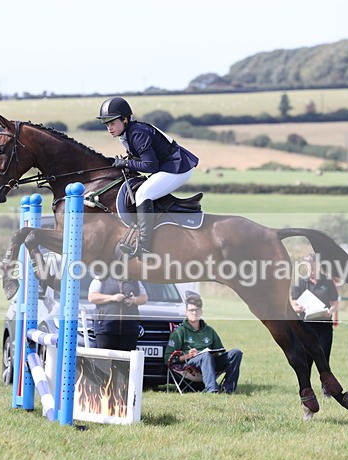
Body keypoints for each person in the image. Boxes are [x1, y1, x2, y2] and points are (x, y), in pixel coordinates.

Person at [96, 97, 199, 257]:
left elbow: (151, 166)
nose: (109, 128)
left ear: (125, 119)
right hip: (168, 165)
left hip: (178, 167)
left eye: (112, 123)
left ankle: (144, 245)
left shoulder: (137, 133)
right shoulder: (128, 133)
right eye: (107, 124)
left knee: (143, 194)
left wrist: (124, 163)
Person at [164, 293, 243, 394]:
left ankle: (228, 389)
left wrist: (216, 354)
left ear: (201, 312)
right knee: (206, 356)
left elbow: (221, 352)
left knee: (236, 353)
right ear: (186, 313)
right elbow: (168, 359)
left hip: (211, 362)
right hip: (190, 365)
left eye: (197, 310)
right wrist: (189, 355)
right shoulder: (179, 332)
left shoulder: (209, 331)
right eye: (191, 310)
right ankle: (212, 390)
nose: (194, 313)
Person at [290, 253, 340, 394]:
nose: (312, 272)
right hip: (305, 326)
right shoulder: (299, 282)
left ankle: (327, 388)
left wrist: (330, 311)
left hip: (324, 325)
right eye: (309, 269)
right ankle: (306, 388)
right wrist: (296, 308)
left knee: (324, 356)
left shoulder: (328, 282)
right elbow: (293, 302)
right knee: (306, 359)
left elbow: (335, 303)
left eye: (314, 268)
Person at [87, 276, 148, 351]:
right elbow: (92, 297)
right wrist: (112, 298)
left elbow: (144, 298)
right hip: (106, 328)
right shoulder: (101, 278)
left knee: (125, 361)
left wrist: (134, 300)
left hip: (129, 329)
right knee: (105, 360)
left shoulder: (135, 280)